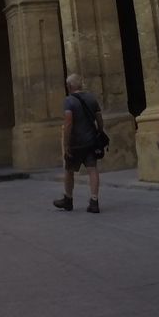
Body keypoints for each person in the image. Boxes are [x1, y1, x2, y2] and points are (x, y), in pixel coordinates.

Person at [55, 74, 103, 213]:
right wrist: (99, 132)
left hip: (76, 143)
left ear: (69, 86)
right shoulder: (91, 98)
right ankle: (94, 201)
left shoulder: (69, 101)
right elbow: (99, 119)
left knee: (69, 170)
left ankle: (68, 199)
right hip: (91, 141)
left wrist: (66, 144)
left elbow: (68, 123)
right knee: (92, 169)